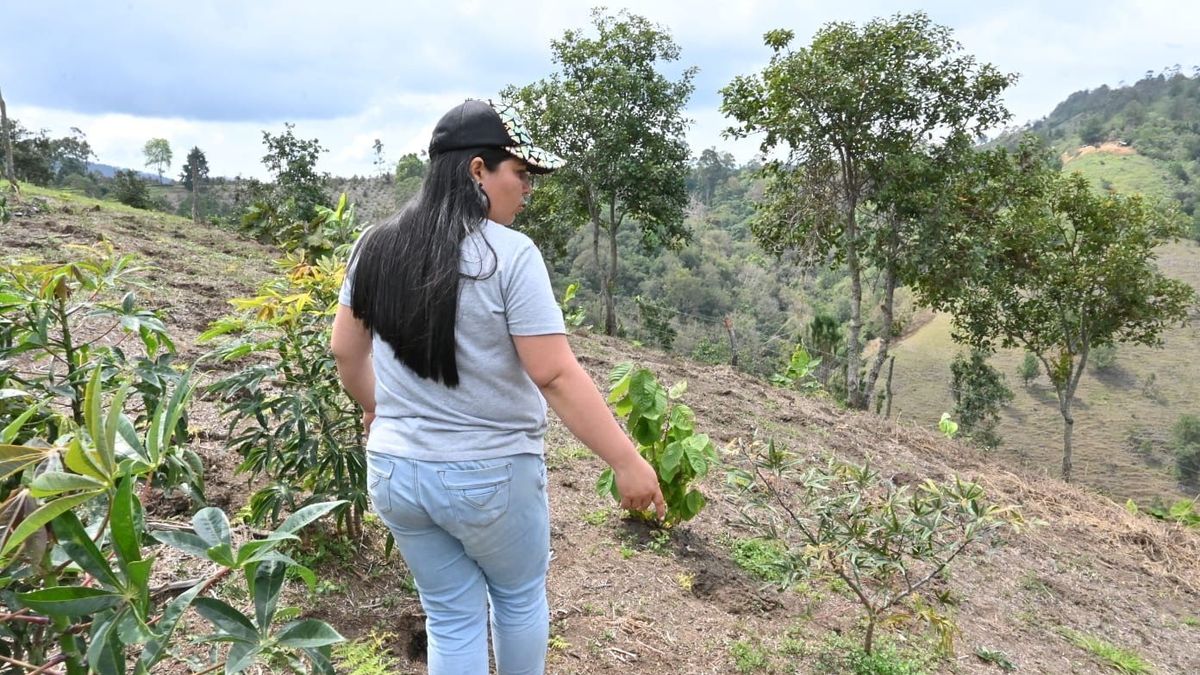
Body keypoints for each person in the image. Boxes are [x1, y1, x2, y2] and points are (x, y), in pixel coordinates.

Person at [330, 98, 665, 675]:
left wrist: (377, 409)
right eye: (520, 172)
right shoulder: (510, 255)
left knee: (452, 617)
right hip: (487, 475)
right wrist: (627, 461)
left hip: (395, 471)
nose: (528, 187)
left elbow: (344, 349)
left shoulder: (375, 245)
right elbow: (554, 373)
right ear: (476, 170)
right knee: (516, 599)